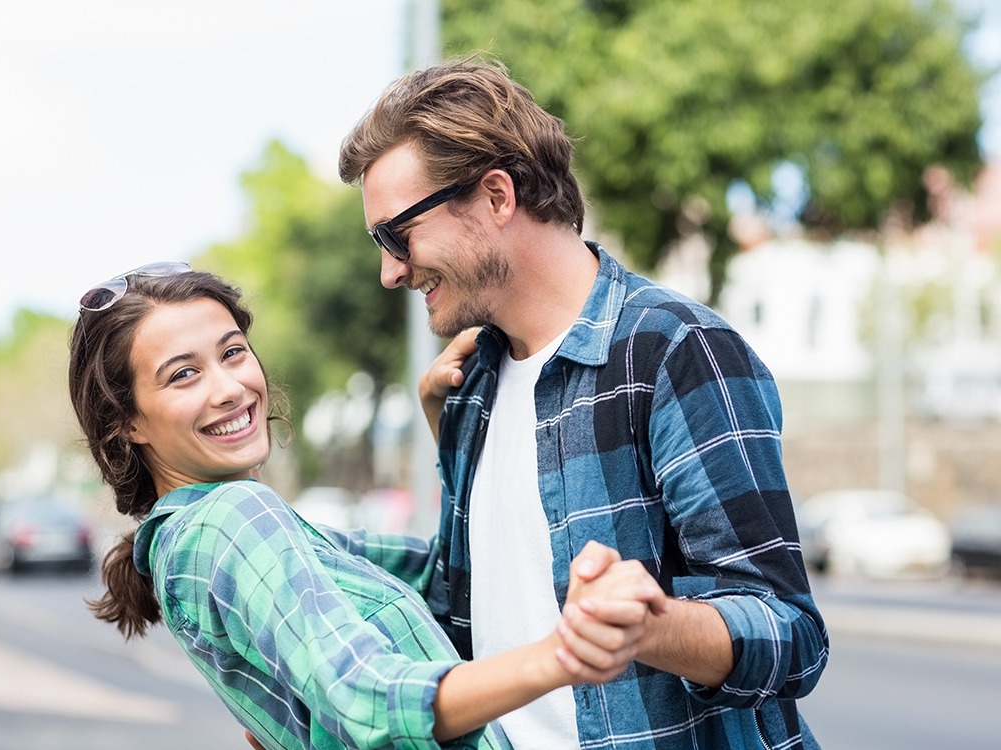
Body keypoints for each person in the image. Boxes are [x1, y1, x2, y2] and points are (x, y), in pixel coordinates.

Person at [338, 57, 829, 749]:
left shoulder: (673, 350)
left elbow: (790, 632)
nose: (390, 270)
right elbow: (462, 617)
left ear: (495, 198)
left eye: (396, 235)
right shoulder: (468, 384)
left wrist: (651, 627)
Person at [67, 264, 665, 750]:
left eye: (232, 352)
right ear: (128, 424)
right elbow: (365, 698)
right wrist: (566, 654)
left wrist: (447, 428)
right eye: (183, 375)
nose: (227, 388)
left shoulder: (181, 541)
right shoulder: (235, 518)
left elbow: (445, 582)